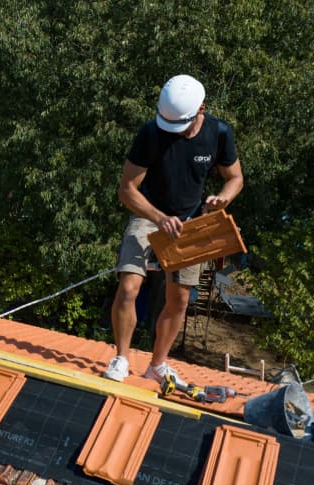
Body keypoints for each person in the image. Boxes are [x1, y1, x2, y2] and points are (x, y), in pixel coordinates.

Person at [103, 75, 244, 384]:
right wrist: (157, 216)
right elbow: (127, 189)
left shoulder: (219, 133)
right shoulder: (151, 134)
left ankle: (157, 365)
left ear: (201, 109)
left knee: (179, 300)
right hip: (148, 214)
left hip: (190, 222)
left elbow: (235, 178)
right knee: (128, 287)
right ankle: (121, 358)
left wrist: (223, 198)